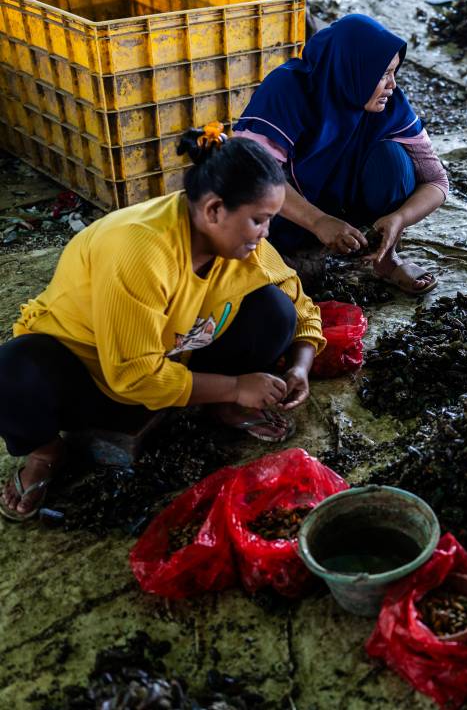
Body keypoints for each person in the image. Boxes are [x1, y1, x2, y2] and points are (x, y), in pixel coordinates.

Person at [0, 126, 325, 522]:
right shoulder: (139, 250)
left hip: (174, 358)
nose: (266, 232)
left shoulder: (239, 240)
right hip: (93, 377)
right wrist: (239, 386)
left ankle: (218, 406)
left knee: (275, 311)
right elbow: (133, 375)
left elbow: (298, 302)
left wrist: (299, 365)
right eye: (260, 220)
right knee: (13, 371)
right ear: (214, 210)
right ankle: (46, 452)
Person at [234, 14, 448, 295]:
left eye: (395, 72)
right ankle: (298, 246)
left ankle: (386, 258)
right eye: (383, 74)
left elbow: (437, 181)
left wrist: (400, 218)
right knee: (285, 287)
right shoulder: (288, 90)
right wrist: (317, 221)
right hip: (292, 211)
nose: (393, 85)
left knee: (394, 162)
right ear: (352, 69)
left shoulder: (391, 104)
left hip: (343, 202)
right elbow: (251, 174)